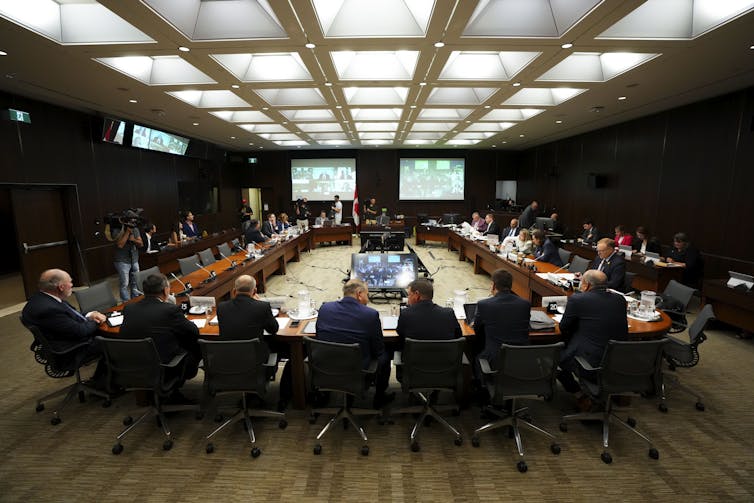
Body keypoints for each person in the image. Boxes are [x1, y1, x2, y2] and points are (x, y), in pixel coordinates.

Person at [315, 279, 393, 409]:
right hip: (357, 371)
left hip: (326, 368)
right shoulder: (370, 315)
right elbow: (378, 350)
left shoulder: (324, 308)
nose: (367, 299)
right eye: (367, 294)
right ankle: (379, 398)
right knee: (386, 355)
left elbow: (319, 337)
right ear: (359, 294)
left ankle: (323, 396)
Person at [217, 275, 291, 409]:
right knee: (288, 349)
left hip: (228, 365)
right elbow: (273, 329)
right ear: (255, 291)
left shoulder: (221, 308)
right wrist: (259, 302)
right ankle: (286, 395)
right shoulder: (261, 307)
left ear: (234, 291)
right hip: (257, 366)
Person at [119, 273, 201, 386]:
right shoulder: (170, 310)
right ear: (165, 291)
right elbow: (193, 331)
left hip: (135, 363)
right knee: (196, 346)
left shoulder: (129, 308)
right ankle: (175, 385)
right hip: (164, 364)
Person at [557, 270, 628, 400]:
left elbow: (563, 327)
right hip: (617, 362)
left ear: (587, 285)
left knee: (554, 356)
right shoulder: (620, 299)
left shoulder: (578, 299)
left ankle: (579, 395)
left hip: (590, 362)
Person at [21, 269, 107, 359]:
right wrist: (97, 321)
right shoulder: (49, 310)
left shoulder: (42, 298)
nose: (72, 285)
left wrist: (89, 315)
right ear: (61, 287)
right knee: (116, 340)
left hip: (63, 338)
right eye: (70, 282)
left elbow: (70, 315)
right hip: (72, 349)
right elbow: (80, 331)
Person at [472, 269, 530, 370]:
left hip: (494, 362)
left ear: (494, 285)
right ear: (510, 285)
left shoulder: (484, 304)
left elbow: (476, 329)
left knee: (474, 356)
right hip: (521, 360)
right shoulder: (525, 304)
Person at [396, 278, 462, 347]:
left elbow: (401, 335)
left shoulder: (405, 314)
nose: (408, 298)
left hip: (416, 357)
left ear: (416, 295)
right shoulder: (448, 313)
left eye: (409, 295)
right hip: (445, 357)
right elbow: (458, 337)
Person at [113, 220, 143, 302]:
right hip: (122, 260)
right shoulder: (117, 230)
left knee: (135, 281)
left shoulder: (135, 229)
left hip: (134, 258)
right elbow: (120, 244)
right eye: (130, 221)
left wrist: (134, 240)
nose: (132, 223)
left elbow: (141, 243)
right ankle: (126, 302)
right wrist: (127, 232)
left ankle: (135, 299)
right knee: (124, 284)